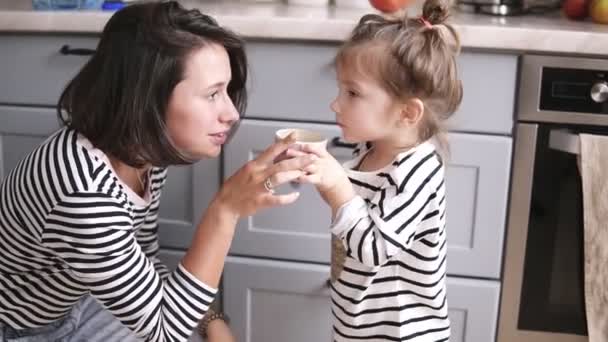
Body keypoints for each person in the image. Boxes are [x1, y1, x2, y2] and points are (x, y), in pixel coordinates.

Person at [0, 1, 313, 341]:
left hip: (84, 301)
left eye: (226, 90)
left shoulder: (142, 152)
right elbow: (165, 331)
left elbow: (145, 261)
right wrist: (226, 208)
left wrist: (212, 321)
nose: (231, 113)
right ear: (147, 97)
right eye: (211, 95)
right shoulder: (84, 194)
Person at [291, 0, 463, 340]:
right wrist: (317, 168)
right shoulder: (369, 150)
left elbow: (373, 249)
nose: (335, 104)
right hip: (357, 326)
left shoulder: (419, 170)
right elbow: (354, 200)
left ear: (407, 113)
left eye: (352, 93)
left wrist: (336, 187)